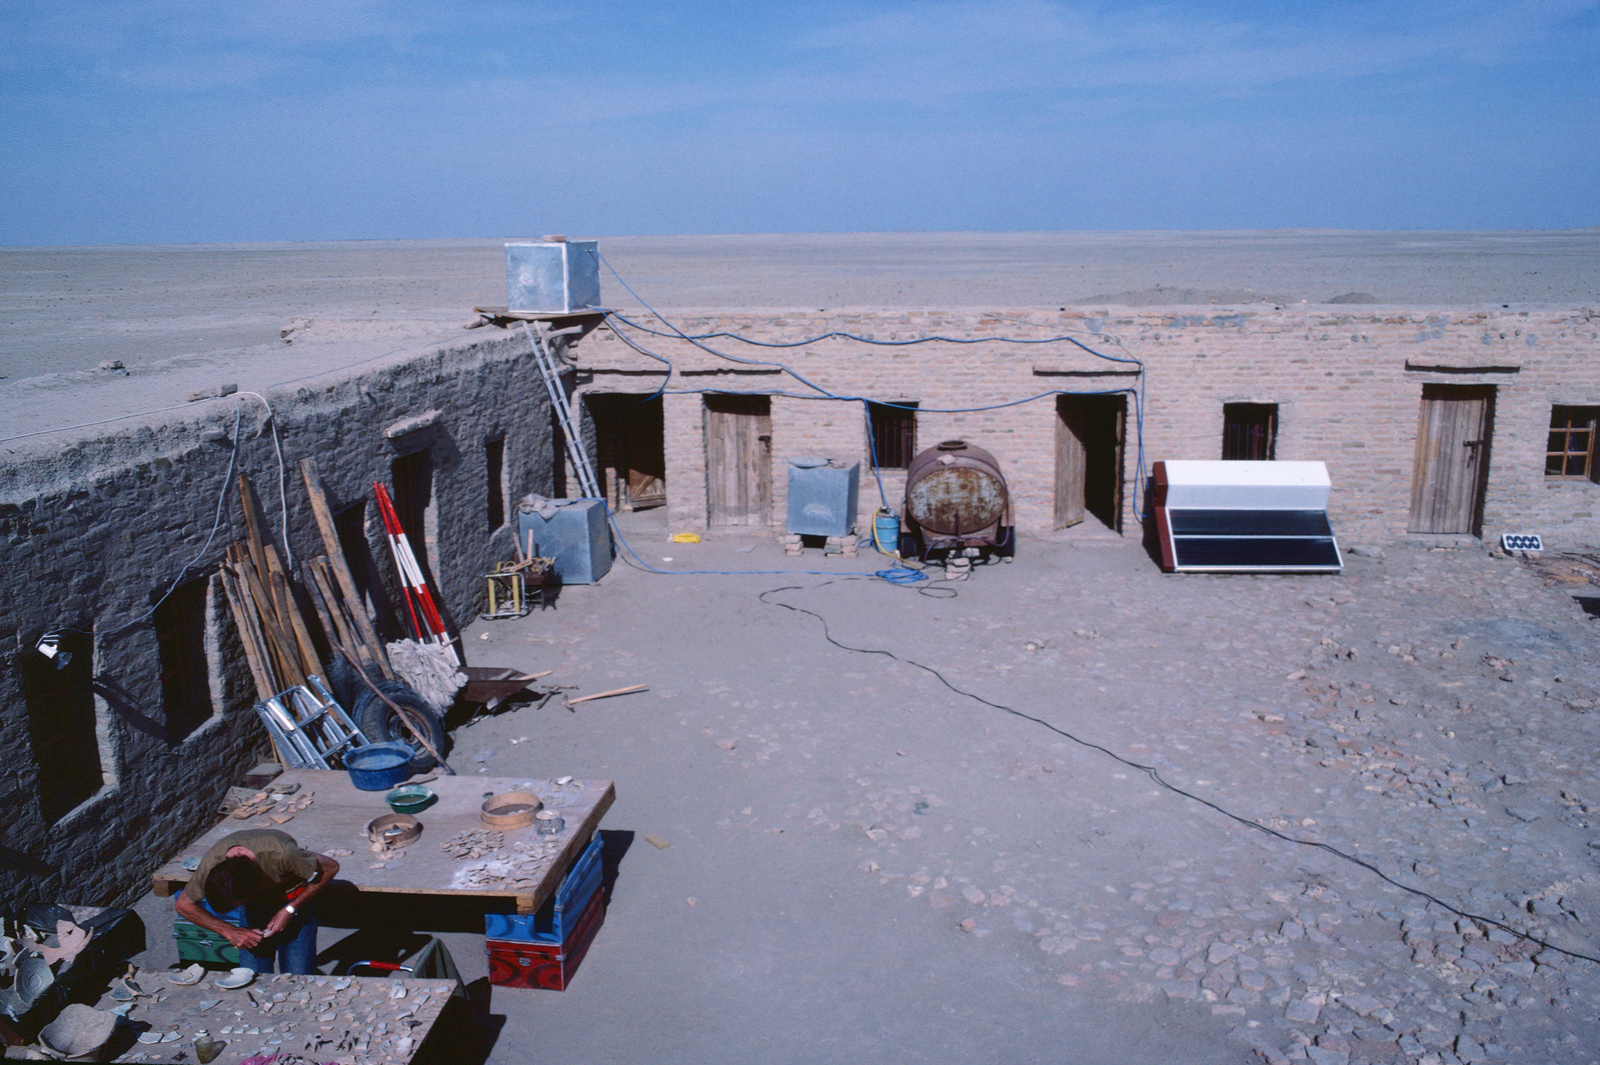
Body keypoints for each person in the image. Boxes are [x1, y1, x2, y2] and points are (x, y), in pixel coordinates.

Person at [173, 828, 339, 975]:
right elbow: (183, 905)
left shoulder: (281, 854)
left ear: (254, 889)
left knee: (297, 976)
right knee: (250, 975)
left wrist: (289, 910)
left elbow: (331, 867)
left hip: (293, 903)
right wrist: (229, 931)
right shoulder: (211, 867)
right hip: (254, 910)